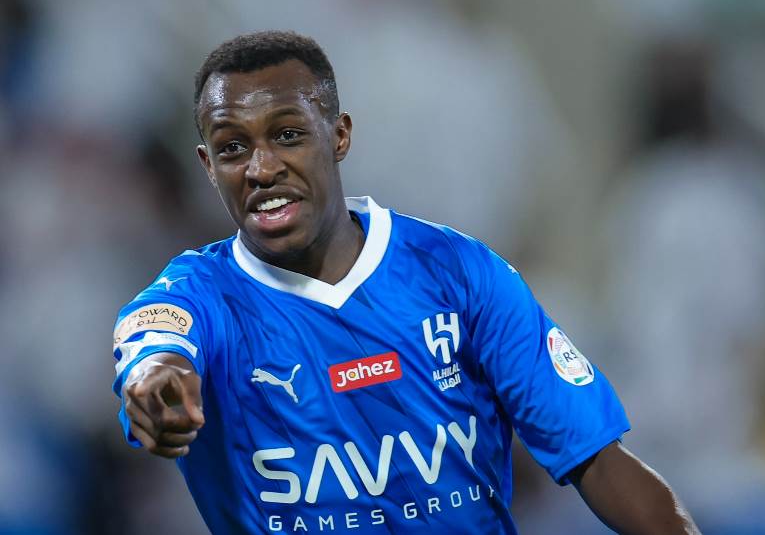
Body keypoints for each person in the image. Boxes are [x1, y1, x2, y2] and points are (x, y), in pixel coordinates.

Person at [112, 31, 699, 534]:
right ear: (207, 165)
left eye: (288, 134)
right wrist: (156, 381)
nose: (261, 168)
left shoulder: (456, 272)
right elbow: (155, 346)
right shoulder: (199, 294)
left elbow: (597, 460)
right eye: (233, 148)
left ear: (339, 135)